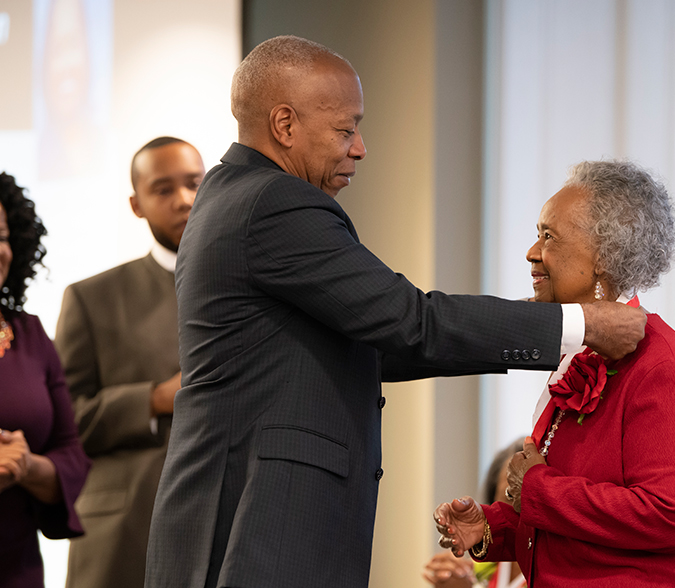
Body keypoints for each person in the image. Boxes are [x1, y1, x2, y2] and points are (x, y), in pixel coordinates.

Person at [144, 35, 647, 588]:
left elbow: (369, 341)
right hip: (261, 524)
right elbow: (410, 323)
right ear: (284, 125)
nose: (360, 147)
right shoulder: (275, 202)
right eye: (346, 129)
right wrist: (579, 324)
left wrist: (529, 326)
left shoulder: (230, 195)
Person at [433, 160, 675, 587]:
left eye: (548, 236)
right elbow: (582, 518)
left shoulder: (660, 363)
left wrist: (538, 488)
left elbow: (673, 514)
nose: (532, 252)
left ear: (603, 256)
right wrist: (492, 529)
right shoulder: (586, 356)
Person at [54, 137, 204, 588]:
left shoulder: (253, 289)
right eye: (163, 190)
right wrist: (154, 400)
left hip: (226, 524)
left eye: (195, 184)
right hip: (123, 535)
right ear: (136, 205)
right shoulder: (92, 298)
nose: (184, 201)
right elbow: (65, 421)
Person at [0, 172, 91, 587]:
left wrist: (24, 465)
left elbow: (71, 454)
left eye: (1, 235)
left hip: (18, 569)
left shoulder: (31, 334)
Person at [423, 439, 527, 588]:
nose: (520, 510)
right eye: (509, 496)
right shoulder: (481, 564)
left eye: (531, 498)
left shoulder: (560, 573)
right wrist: (457, 575)